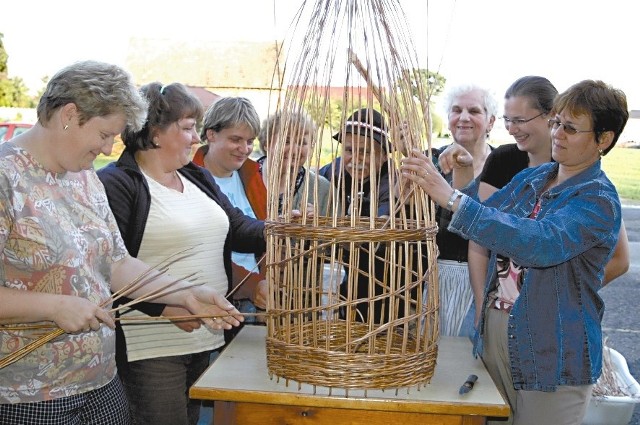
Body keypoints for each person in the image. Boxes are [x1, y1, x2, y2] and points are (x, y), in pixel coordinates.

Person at [0, 61, 242, 425]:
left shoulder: (85, 179)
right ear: (69, 115)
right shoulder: (6, 177)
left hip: (101, 381)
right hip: (30, 395)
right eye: (104, 134)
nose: (110, 147)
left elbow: (117, 263)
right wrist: (53, 305)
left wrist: (185, 293)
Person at [401, 79, 629, 425]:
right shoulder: (535, 178)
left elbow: (539, 242)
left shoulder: (598, 199)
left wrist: (449, 196)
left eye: (570, 127)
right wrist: (457, 173)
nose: (557, 134)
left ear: (604, 139)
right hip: (498, 333)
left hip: (551, 350)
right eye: (556, 123)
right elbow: (488, 217)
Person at [97, 83, 266, 425]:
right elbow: (108, 265)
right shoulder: (118, 183)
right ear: (156, 132)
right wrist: (165, 306)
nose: (196, 138)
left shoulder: (196, 176)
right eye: (188, 129)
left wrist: (281, 228)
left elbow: (238, 229)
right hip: (152, 345)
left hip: (203, 334)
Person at [468, 76, 630, 330]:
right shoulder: (526, 172)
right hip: (500, 318)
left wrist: (560, 299)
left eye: (520, 120)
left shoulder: (595, 194)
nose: (511, 128)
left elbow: (541, 242)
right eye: (507, 120)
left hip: (543, 333)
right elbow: (481, 223)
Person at [192, 97, 267, 323]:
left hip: (257, 296)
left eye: (250, 141)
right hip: (216, 302)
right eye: (236, 139)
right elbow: (205, 252)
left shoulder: (253, 175)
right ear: (211, 134)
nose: (244, 149)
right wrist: (251, 285)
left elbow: (261, 234)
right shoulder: (190, 180)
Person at [431, 83, 498, 337]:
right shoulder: (433, 162)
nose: (464, 117)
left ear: (490, 121)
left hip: (485, 286)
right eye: (456, 110)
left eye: (474, 111)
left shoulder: (502, 164)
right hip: (433, 284)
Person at [318, 108, 393, 322]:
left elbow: (375, 231)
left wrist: (326, 224)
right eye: (349, 150)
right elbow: (310, 192)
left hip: (382, 282)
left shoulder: (393, 184)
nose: (356, 159)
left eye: (367, 152)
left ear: (384, 157)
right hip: (342, 276)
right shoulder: (332, 172)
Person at [257, 109, 332, 216]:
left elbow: (335, 230)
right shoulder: (243, 178)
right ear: (266, 143)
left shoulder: (322, 189)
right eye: (286, 141)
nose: (294, 150)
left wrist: (318, 224)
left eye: (302, 143)